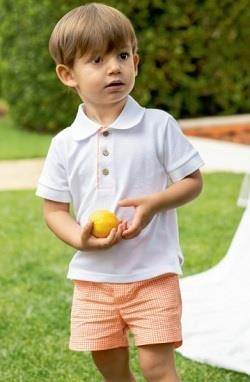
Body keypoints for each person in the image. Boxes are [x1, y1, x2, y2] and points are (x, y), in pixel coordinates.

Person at [36, 3, 204, 382]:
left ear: (136, 62)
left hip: (153, 274)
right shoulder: (64, 143)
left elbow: (192, 182)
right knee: (109, 365)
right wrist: (80, 240)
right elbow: (54, 210)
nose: (114, 67)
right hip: (94, 278)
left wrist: (154, 203)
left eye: (123, 55)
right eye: (97, 60)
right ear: (68, 75)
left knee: (156, 367)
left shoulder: (158, 126)